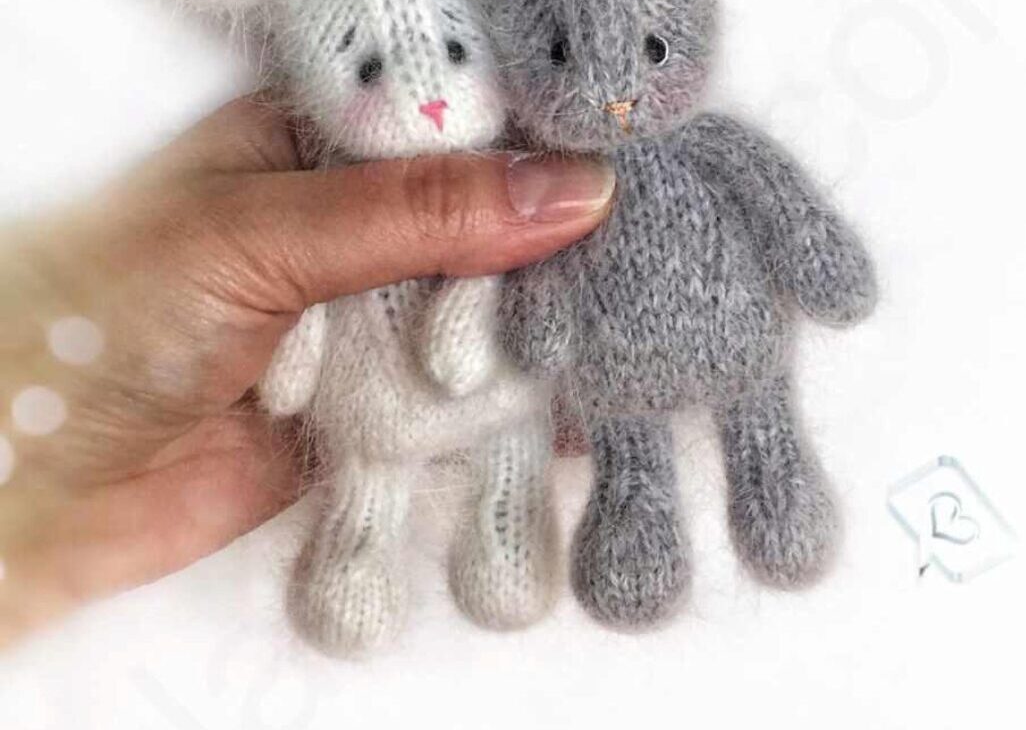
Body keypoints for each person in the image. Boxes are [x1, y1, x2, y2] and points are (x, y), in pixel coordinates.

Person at [0, 95, 614, 645]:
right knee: (374, 478)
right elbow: (306, 296)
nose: (425, 102)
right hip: (372, 410)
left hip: (487, 397)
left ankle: (506, 542)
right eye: (369, 74)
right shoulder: (347, 189)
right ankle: (355, 565)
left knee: (508, 457)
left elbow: (470, 313)